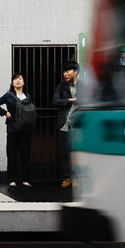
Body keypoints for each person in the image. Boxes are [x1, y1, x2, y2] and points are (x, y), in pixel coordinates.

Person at [0, 72, 35, 188]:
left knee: (26, 155)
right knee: (12, 155)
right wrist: (5, 113)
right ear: (12, 82)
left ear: (24, 82)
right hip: (13, 129)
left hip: (26, 130)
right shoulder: (8, 95)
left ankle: (25, 179)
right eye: (15, 79)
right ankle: (12, 179)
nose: (18, 81)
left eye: (20, 79)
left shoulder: (28, 96)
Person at [53, 61, 79, 189]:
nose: (65, 74)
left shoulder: (84, 87)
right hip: (64, 125)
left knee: (78, 152)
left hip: (79, 125)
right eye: (64, 71)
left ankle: (77, 178)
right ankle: (67, 177)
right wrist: (69, 100)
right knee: (65, 153)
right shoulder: (61, 87)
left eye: (68, 71)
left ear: (76, 72)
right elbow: (55, 101)